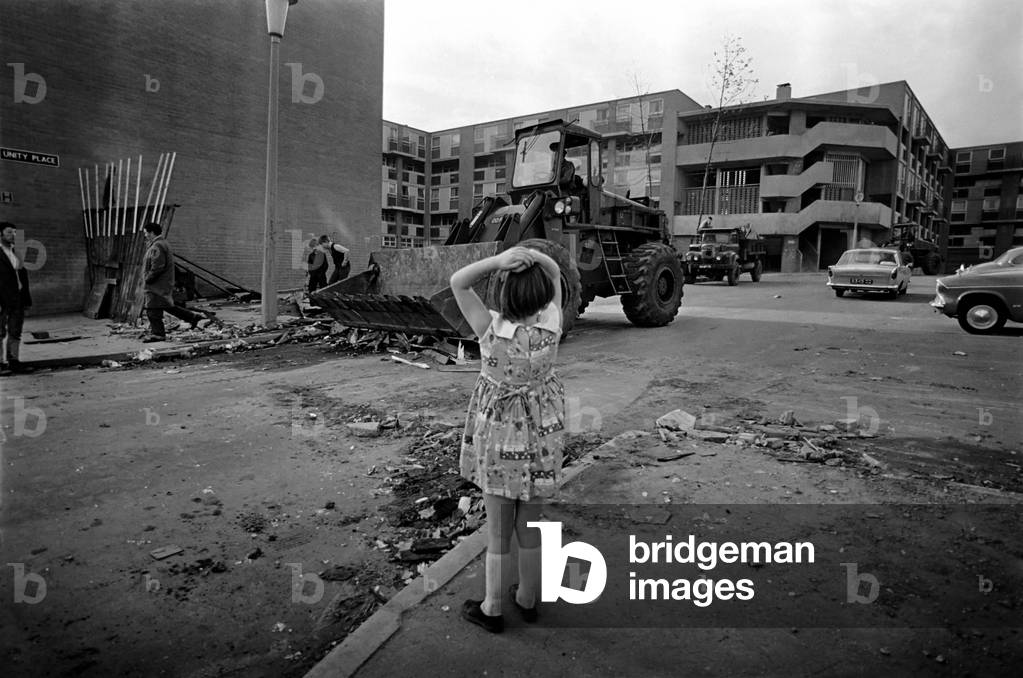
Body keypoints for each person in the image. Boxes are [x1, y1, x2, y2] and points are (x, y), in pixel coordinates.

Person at [449, 245, 565, 633]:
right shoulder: (552, 326)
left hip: (499, 445)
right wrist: (537, 257)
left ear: (502, 295)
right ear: (544, 297)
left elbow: (458, 282)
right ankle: (528, 598)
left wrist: (500, 261)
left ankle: (494, 606)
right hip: (541, 443)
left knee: (498, 531)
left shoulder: (489, 330)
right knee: (530, 529)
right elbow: (555, 276)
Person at [141, 222, 204, 342]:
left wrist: (147, 278)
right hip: (162, 284)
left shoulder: (157, 246)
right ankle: (192, 317)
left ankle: (158, 334)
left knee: (152, 310)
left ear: (152, 232)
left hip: (156, 285)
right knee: (167, 306)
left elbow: (157, 267)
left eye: (146, 233)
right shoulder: (163, 243)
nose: (145, 235)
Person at [0, 222, 32, 374]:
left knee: (15, 331)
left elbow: (22, 277)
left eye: (15, 232)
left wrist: (26, 299)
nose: (14, 235)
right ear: (0, 234)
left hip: (18, 299)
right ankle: (0, 364)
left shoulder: (16, 252)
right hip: (2, 300)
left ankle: (14, 361)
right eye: (9, 232)